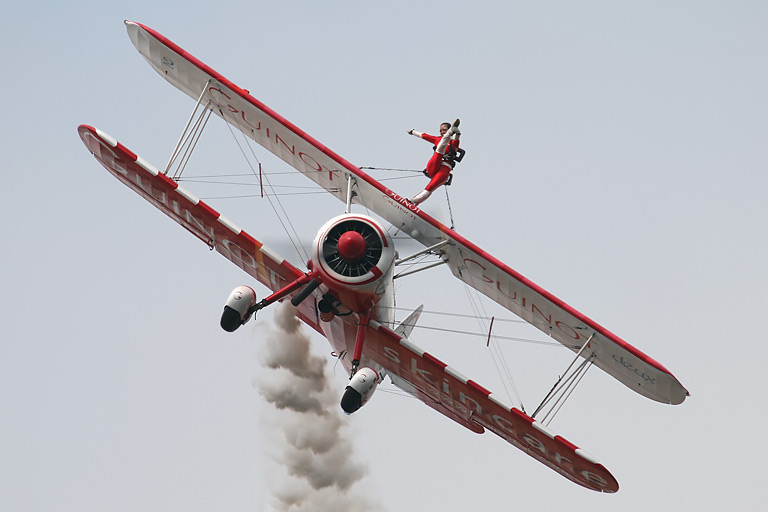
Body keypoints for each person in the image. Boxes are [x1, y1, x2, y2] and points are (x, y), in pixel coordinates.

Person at [407, 118, 462, 204]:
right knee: (439, 151)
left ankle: (413, 202)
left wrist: (458, 133)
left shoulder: (454, 143)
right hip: (435, 164)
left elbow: (457, 140)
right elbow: (425, 136)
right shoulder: (437, 139)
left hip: (445, 168)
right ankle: (450, 132)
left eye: (444, 130)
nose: (441, 132)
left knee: (430, 187)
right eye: (440, 131)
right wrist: (413, 132)